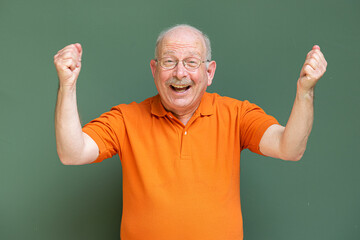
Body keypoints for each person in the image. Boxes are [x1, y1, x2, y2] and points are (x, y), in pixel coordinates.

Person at [54, 24, 327, 240]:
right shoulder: (126, 119)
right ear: (154, 69)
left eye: (191, 62)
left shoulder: (237, 114)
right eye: (169, 61)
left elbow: (289, 148)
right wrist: (67, 86)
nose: (180, 73)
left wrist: (305, 92)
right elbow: (71, 153)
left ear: (209, 72)